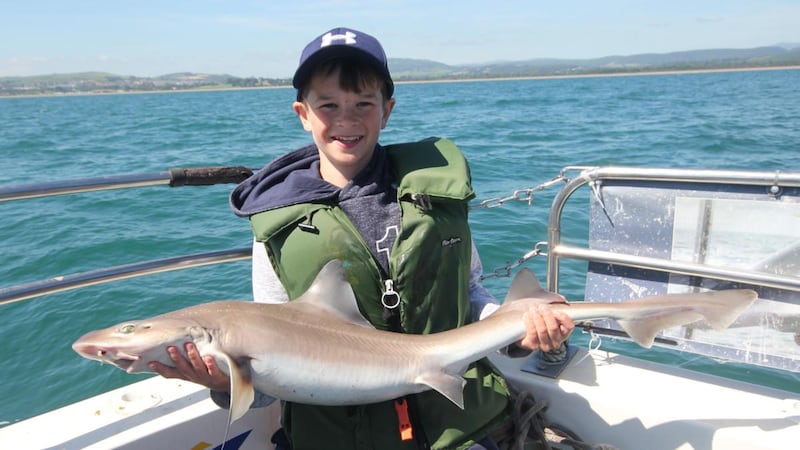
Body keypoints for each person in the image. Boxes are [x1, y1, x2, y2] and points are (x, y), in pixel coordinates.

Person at [151, 27, 574, 450]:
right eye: (328, 105)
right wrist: (227, 382)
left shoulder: (433, 197)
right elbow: (269, 373)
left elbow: (469, 293)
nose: (347, 120)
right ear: (303, 113)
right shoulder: (276, 225)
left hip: (455, 427)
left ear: (387, 111)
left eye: (363, 104)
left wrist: (521, 332)